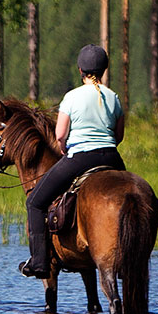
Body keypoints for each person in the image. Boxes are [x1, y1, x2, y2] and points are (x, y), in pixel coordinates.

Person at [21, 44, 126, 279]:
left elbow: (60, 135)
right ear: (104, 69)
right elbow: (119, 136)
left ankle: (39, 262)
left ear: (80, 70)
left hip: (80, 158)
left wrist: (63, 149)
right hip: (112, 157)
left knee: (35, 202)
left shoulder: (71, 97)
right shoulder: (113, 97)